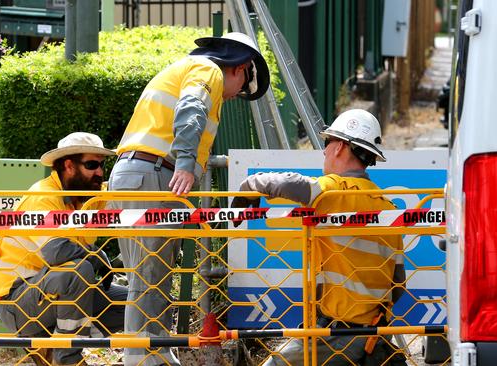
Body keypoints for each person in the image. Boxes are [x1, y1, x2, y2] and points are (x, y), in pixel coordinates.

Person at [108, 32, 271, 366]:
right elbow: (192, 107)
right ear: (239, 68)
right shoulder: (207, 69)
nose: (234, 96)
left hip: (133, 175)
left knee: (147, 276)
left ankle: (152, 353)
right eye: (240, 88)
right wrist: (184, 164)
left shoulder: (185, 67)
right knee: (151, 277)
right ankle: (144, 359)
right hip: (154, 176)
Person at [232, 109, 407, 366]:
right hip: (371, 331)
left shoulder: (333, 192)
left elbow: (289, 183)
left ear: (339, 147)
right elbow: (398, 284)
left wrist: (250, 185)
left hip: (337, 333)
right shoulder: (389, 209)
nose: (324, 151)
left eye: (327, 143)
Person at [0, 132, 127, 366]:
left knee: (138, 302)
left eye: (102, 165)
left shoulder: (87, 197)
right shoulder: (42, 197)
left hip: (55, 291)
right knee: (78, 270)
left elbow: (129, 198)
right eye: (92, 165)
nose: (100, 173)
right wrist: (98, 255)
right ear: (68, 166)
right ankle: (66, 360)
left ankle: (53, 344)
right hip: (15, 302)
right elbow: (57, 253)